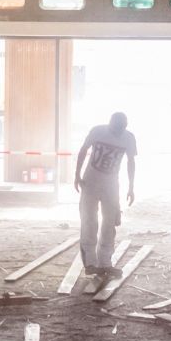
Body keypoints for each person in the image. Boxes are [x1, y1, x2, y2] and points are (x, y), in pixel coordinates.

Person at [73, 111, 137, 285]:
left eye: (120, 128)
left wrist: (131, 187)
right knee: (89, 220)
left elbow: (131, 162)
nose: (117, 131)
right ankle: (91, 262)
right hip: (91, 181)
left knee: (110, 222)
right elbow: (83, 150)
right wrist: (77, 175)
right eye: (115, 127)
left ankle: (105, 262)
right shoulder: (98, 131)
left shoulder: (128, 138)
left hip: (111, 183)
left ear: (125, 126)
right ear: (110, 123)